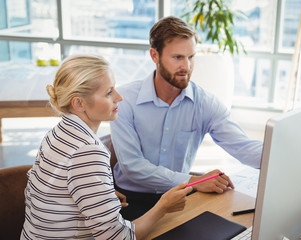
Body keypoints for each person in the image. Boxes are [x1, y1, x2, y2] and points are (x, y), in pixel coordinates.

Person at [21, 54, 193, 240]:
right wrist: (163, 207)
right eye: (109, 92)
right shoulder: (88, 151)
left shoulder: (56, 133)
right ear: (79, 103)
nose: (119, 97)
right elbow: (118, 237)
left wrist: (100, 195)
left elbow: (51, 193)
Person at [110, 16, 263, 221]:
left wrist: (289, 156)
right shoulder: (125, 99)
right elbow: (132, 167)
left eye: (191, 57)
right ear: (154, 55)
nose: (187, 66)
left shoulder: (204, 103)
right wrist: (193, 181)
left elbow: (244, 147)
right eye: (178, 57)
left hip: (179, 197)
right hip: (132, 200)